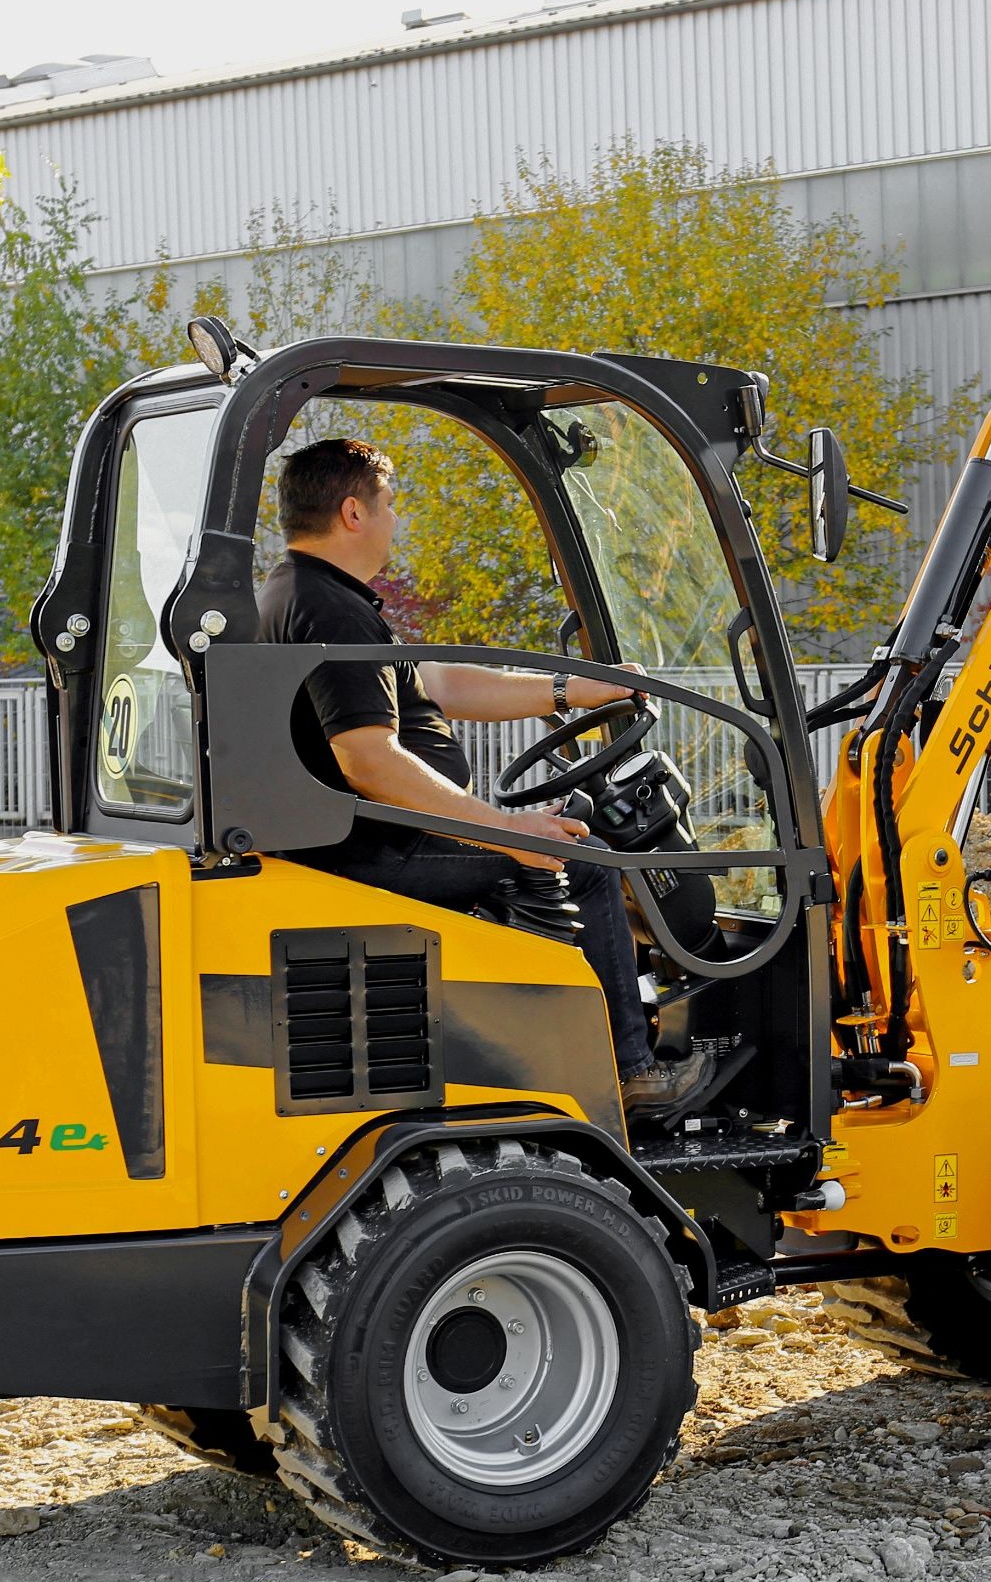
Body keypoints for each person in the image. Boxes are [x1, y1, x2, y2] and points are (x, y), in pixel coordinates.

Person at [256, 437, 712, 1118]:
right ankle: (632, 1075)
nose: (394, 522)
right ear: (353, 513)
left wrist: (571, 690)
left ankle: (549, 1042)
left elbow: (437, 684)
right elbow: (368, 760)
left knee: (546, 841)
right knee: (579, 860)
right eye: (389, 506)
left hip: (360, 837)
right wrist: (505, 831)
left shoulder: (302, 593)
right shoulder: (331, 610)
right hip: (373, 847)